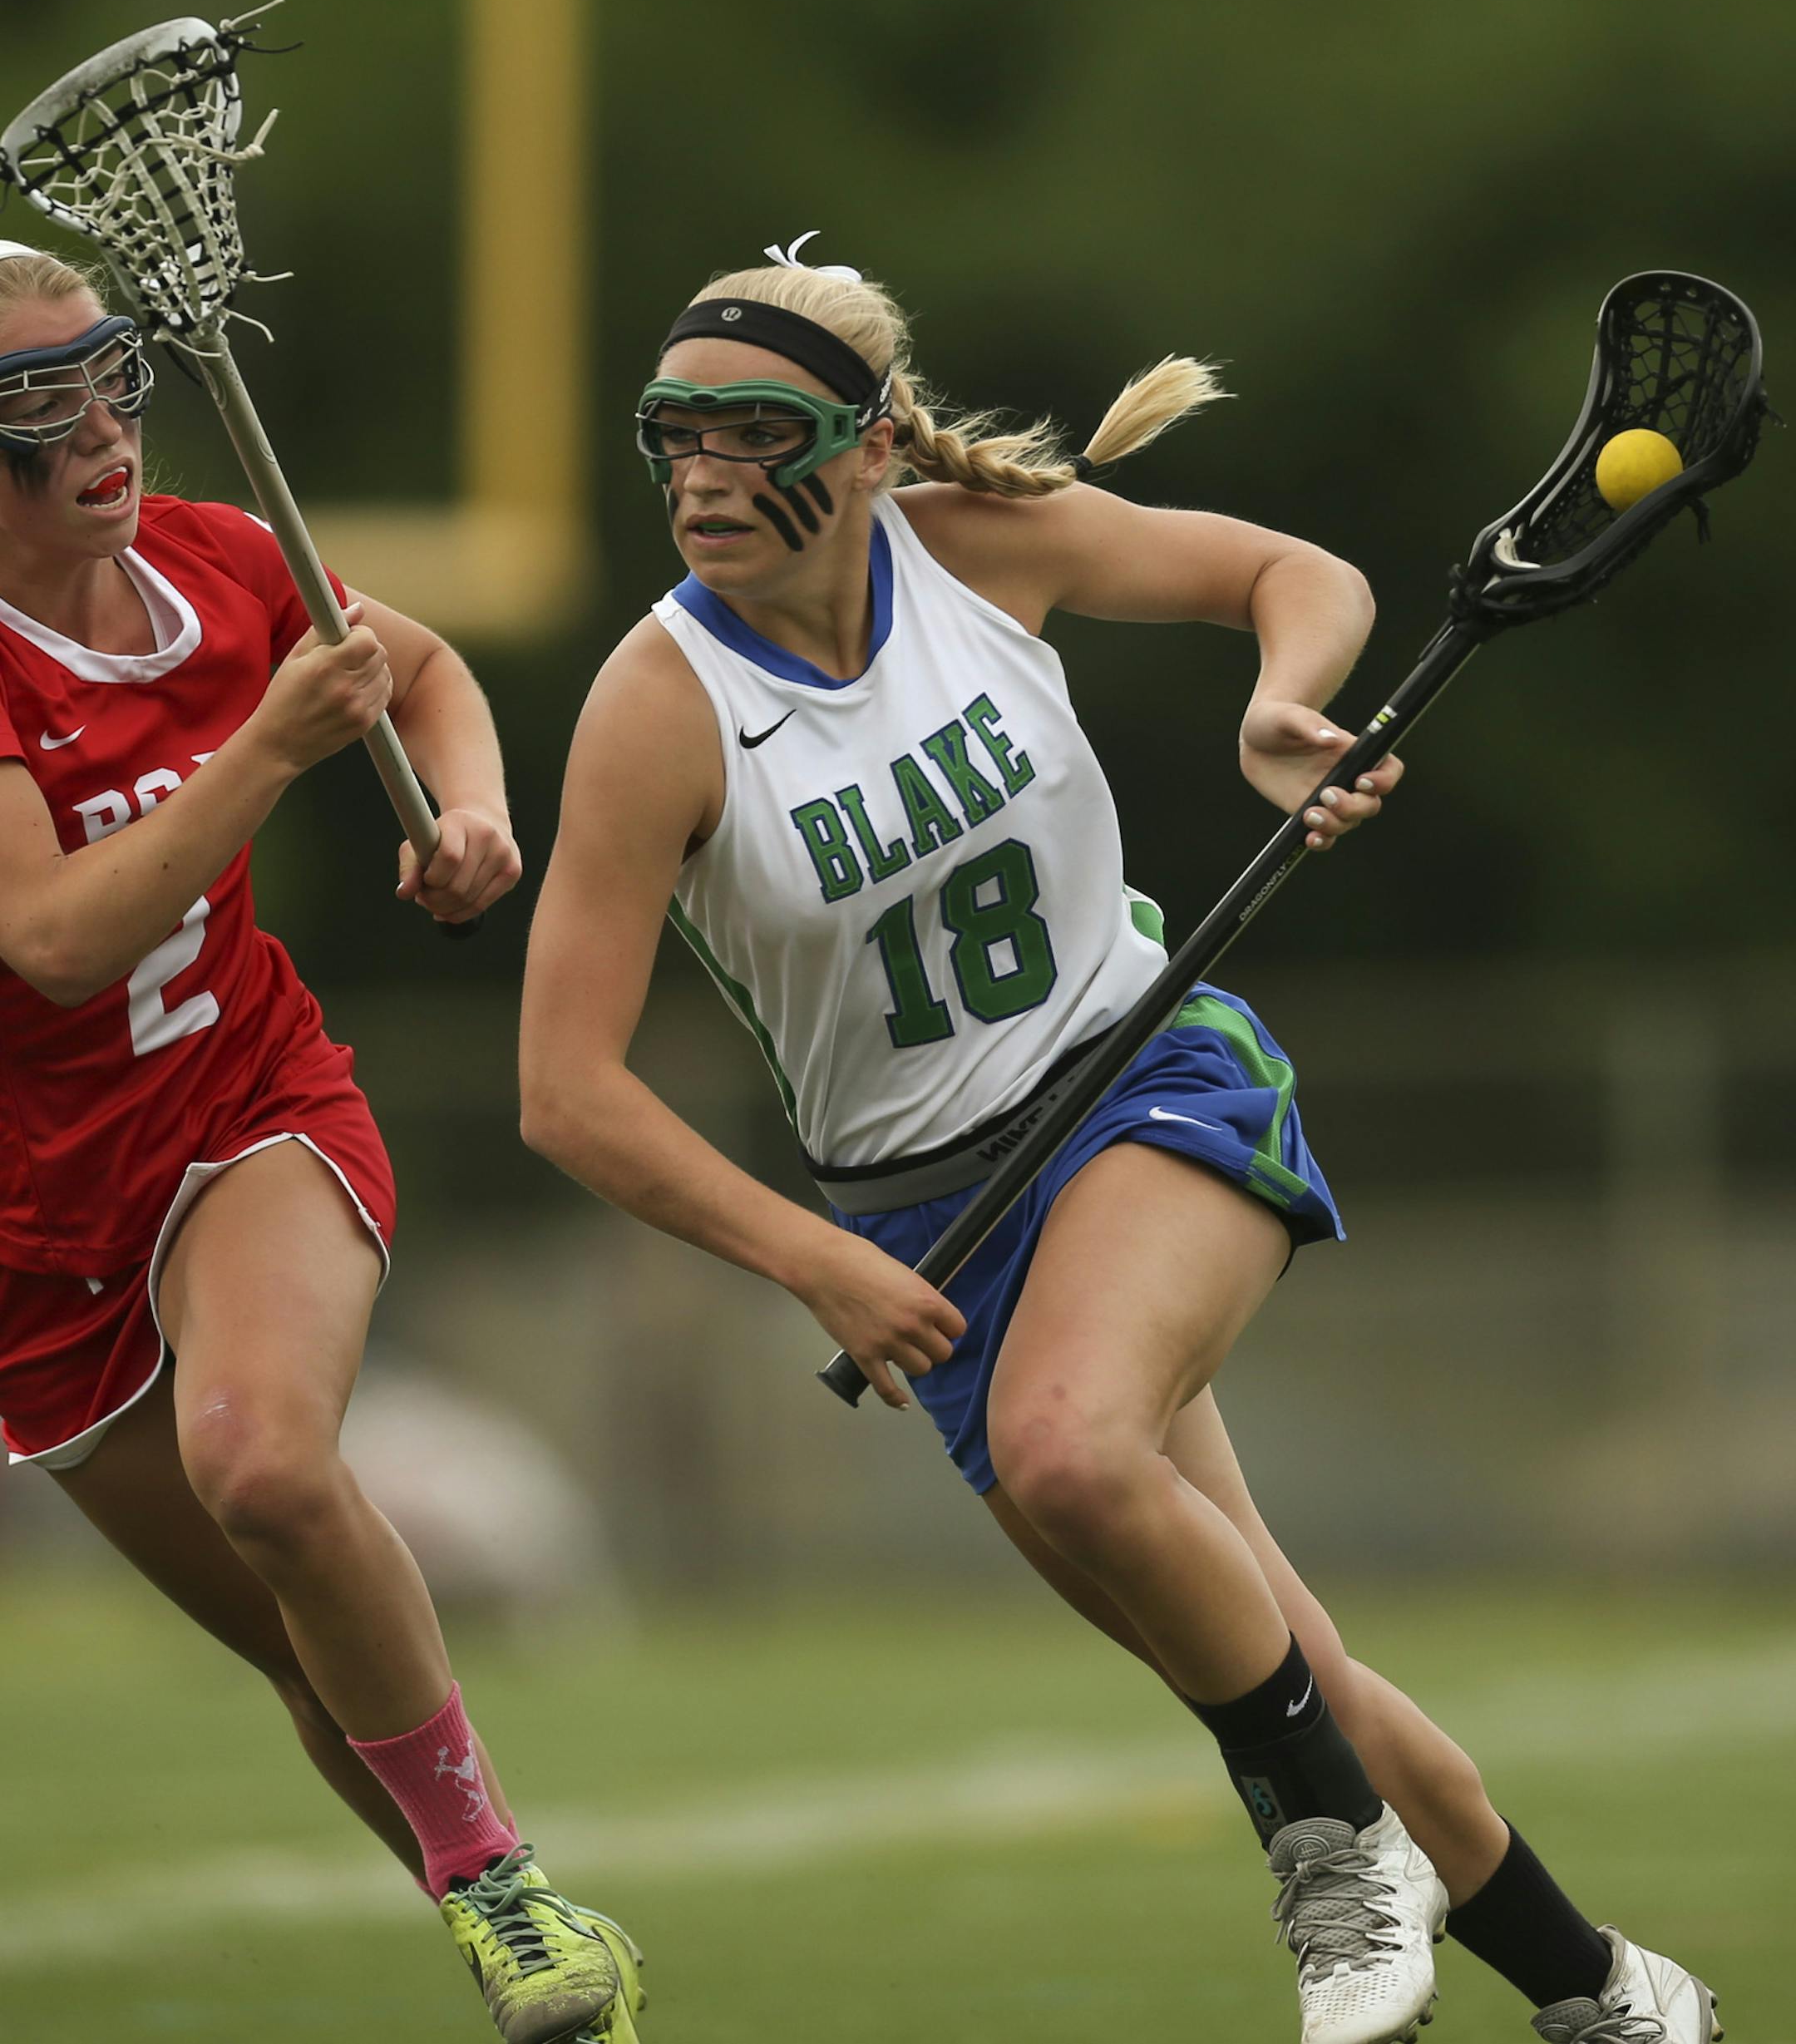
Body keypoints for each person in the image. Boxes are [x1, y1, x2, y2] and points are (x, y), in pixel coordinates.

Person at [518, 241, 1720, 2044]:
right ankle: (1611, 1996)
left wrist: (1275, 704)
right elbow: (566, 1088)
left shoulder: (982, 548)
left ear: (863, 448)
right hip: (928, 1233)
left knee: (1073, 1453)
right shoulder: (658, 706)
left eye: (748, 432)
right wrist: (818, 1256)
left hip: (1144, 1084)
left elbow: (1290, 575)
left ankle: (1330, 1854)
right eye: (669, 433)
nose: (698, 475)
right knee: (1288, 1659)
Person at [0, 239, 645, 2044]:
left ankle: (512, 1910)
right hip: (36, 1227)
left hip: (243, 1108)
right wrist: (271, 751)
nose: (103, 427)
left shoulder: (215, 557)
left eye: (111, 374)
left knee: (268, 1468)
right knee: (307, 1645)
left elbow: (420, 669)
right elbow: (54, 938)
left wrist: (478, 812)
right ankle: (504, 1892)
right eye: (39, 403)